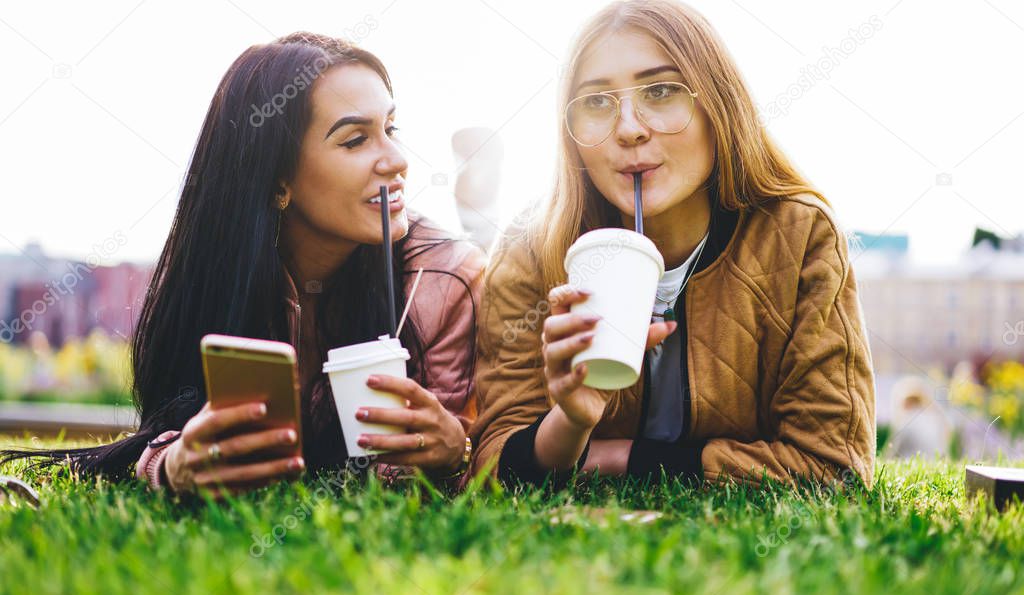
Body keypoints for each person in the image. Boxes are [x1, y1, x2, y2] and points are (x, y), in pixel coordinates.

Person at [2, 33, 484, 497]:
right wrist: (171, 464)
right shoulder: (218, 269)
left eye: (391, 129)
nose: (397, 159)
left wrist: (452, 452)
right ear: (277, 181)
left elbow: (455, 462)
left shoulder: (442, 277)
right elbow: (174, 427)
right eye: (355, 140)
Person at [470, 0, 876, 489]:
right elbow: (490, 469)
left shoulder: (798, 235)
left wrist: (622, 458)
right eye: (597, 101)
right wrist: (570, 424)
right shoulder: (531, 250)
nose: (629, 128)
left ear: (717, 105)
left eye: (661, 91)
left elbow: (834, 468)